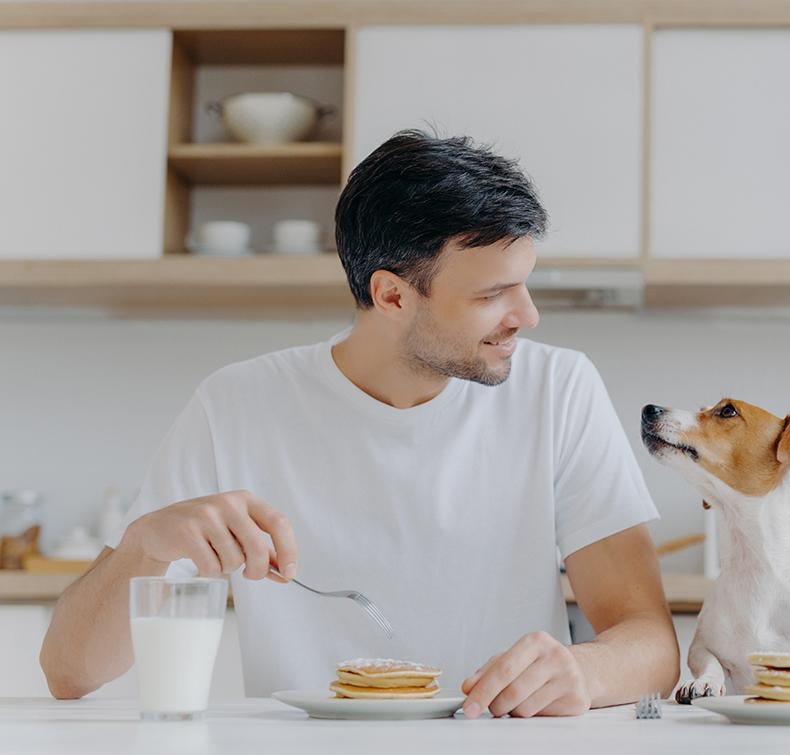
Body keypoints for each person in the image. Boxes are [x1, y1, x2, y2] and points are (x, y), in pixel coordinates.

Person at [40, 129, 679, 718]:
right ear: (392, 295)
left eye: (524, 285)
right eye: (491, 296)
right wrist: (144, 548)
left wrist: (583, 673)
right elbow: (69, 672)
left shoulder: (558, 390)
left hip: (497, 748)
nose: (528, 316)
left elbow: (651, 641)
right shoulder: (235, 405)